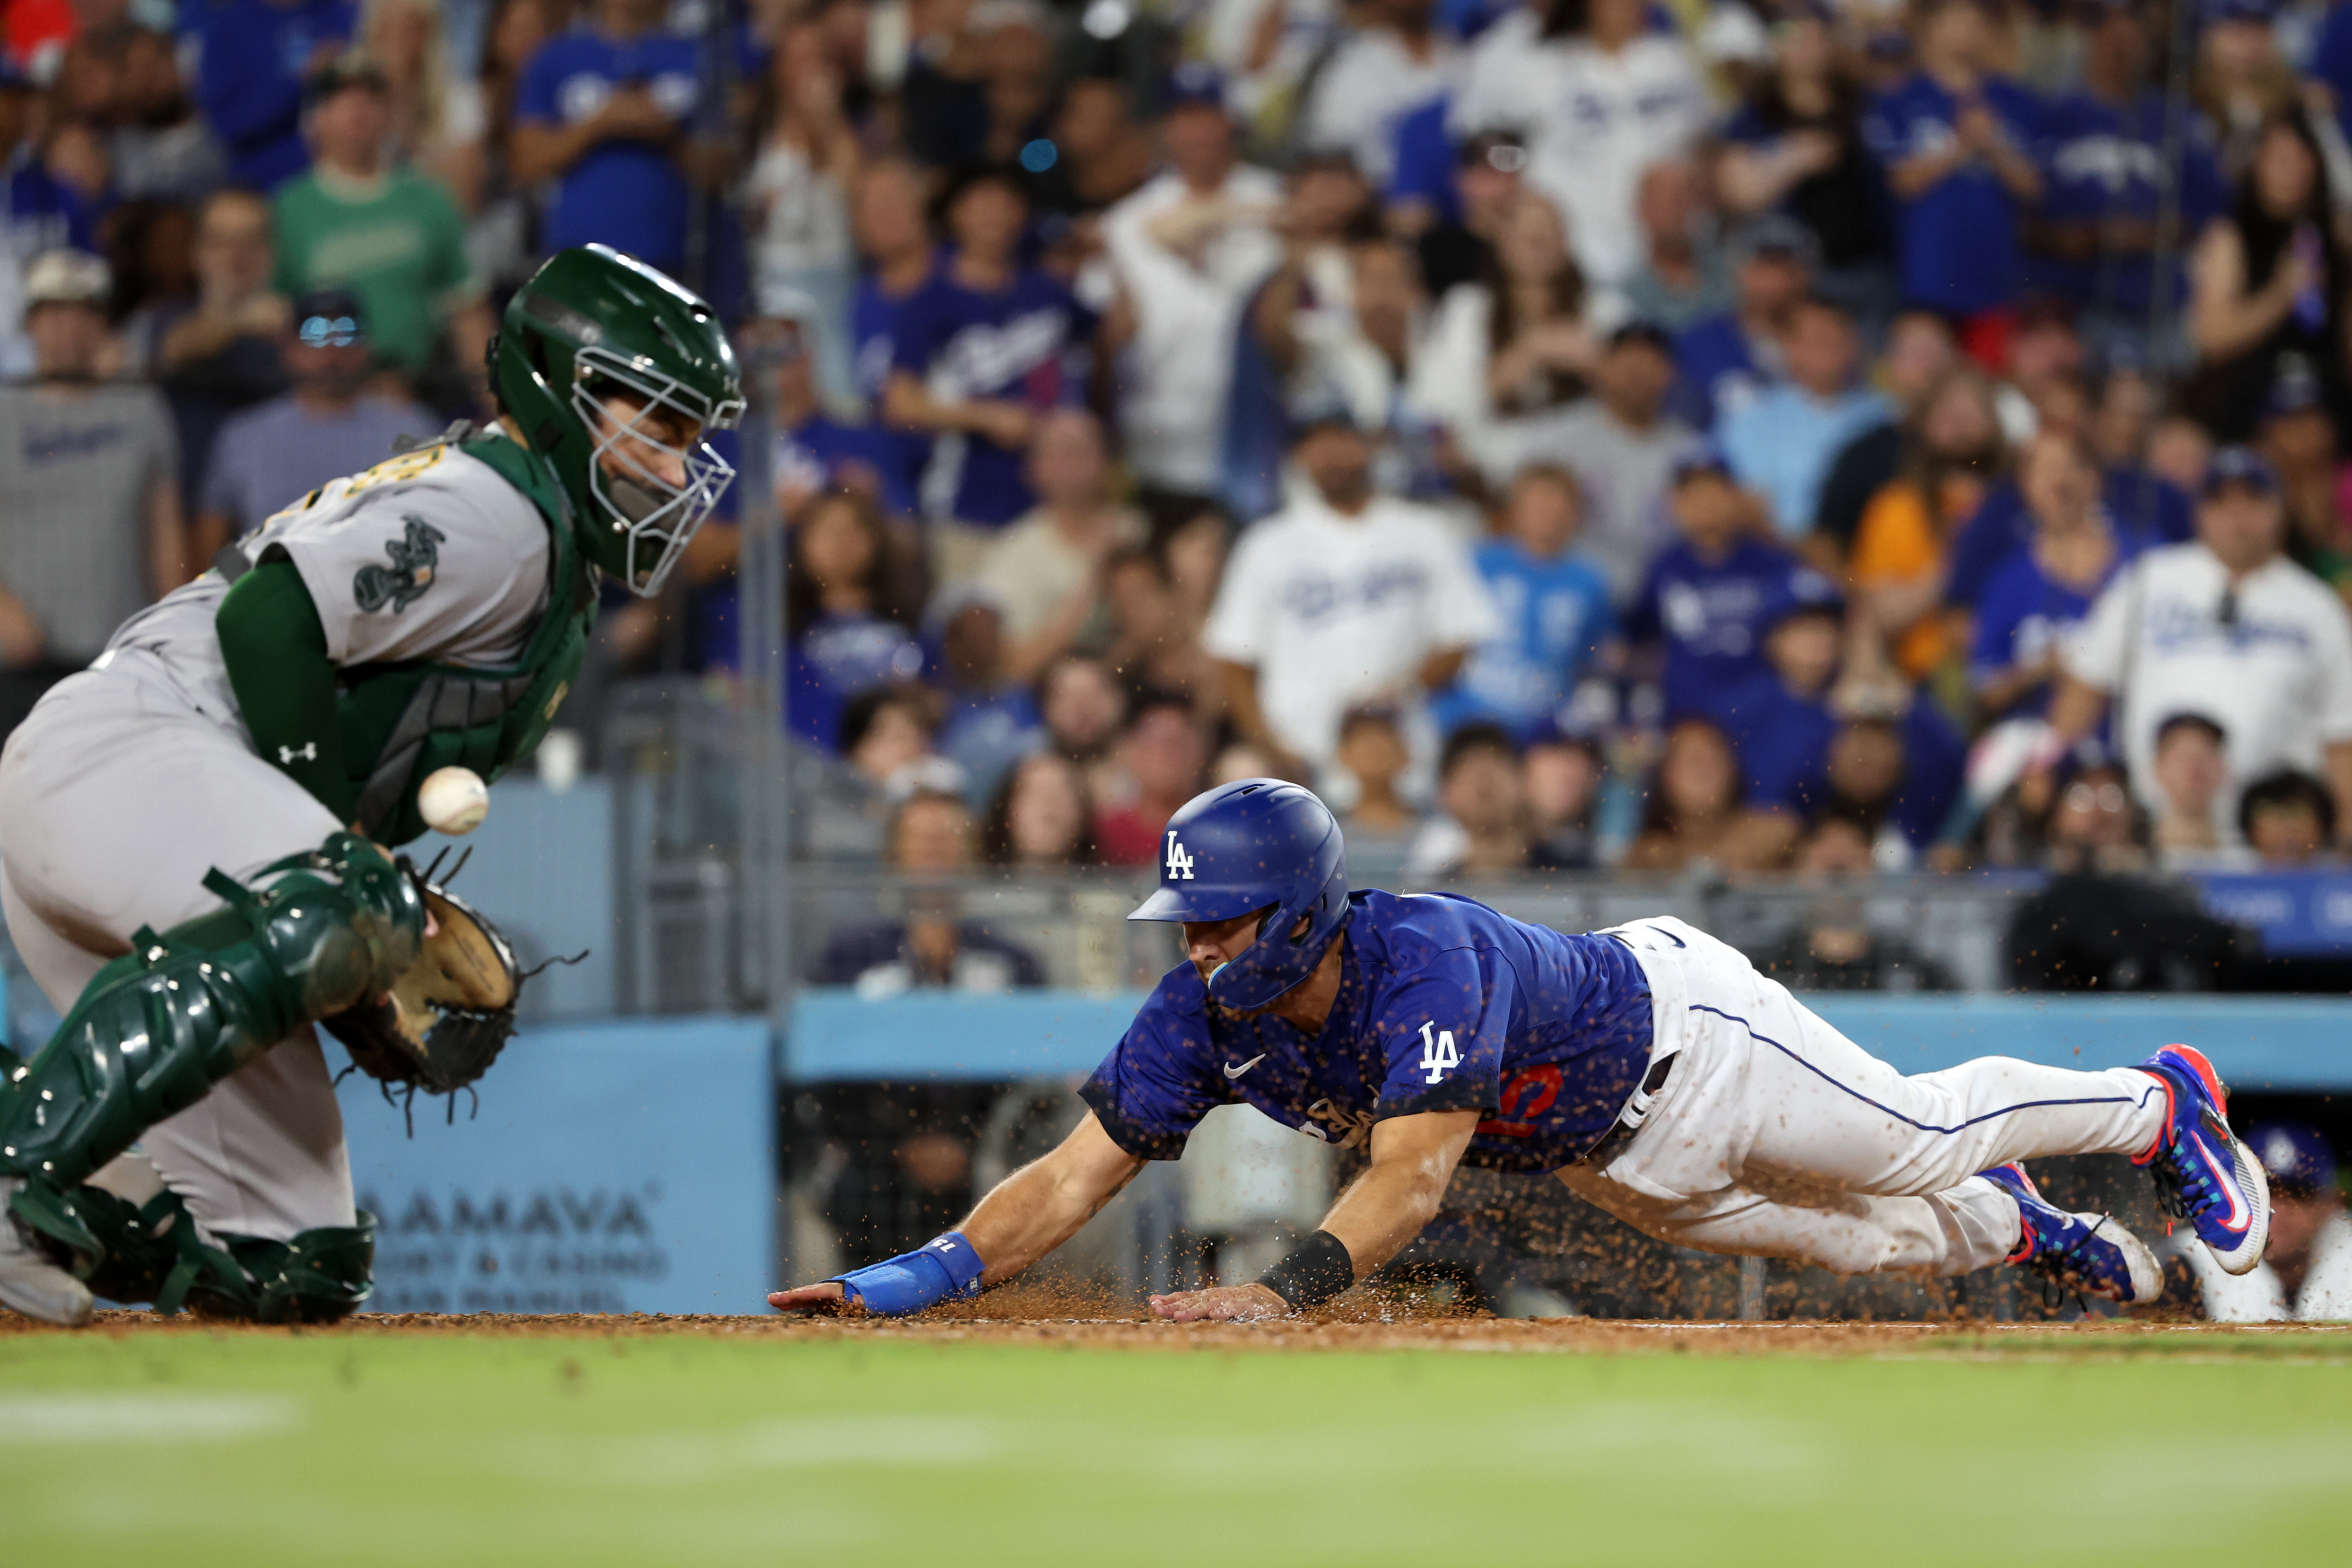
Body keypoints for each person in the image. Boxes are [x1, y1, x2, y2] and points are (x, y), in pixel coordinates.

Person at [769, 779, 2275, 1321]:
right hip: (1610, 1155)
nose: (1196, 947)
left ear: (1297, 914)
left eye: (1220, 921)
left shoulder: (1420, 953)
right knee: (1871, 1246)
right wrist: (913, 1275)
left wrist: (1282, 1298)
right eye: (1188, 921)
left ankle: (2160, 1105)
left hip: (1698, 1037)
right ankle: (2040, 1233)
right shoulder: (1195, 1013)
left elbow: (1413, 1184)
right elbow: (1071, 1172)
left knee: (1915, 1135)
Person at [0, 245, 742, 1326]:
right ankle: (18, 1173)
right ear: (561, 388)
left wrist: (357, 914)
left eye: (693, 438)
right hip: (125, 751)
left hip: (163, 815)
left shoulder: (543, 546)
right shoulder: (499, 515)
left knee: (300, 1267)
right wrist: (343, 868)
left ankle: (64, 1219)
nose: (679, 471)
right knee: (345, 901)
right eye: (660, 426)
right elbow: (270, 618)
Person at [2043, 447, 2352, 831]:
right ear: (2199, 512)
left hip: (2271, 838)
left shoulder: (2315, 606)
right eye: (2220, 501)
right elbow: (2086, 682)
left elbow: (2342, 733)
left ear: (2279, 509)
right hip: (2153, 828)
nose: (2236, 515)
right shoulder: (2151, 579)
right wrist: (2048, 771)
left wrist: (2346, 830)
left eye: (2252, 500)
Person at [1202, 414, 1499, 775]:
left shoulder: (1425, 531)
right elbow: (1234, 661)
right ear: (1299, 458)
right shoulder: (1267, 543)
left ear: (1367, 446)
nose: (1330, 456)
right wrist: (1272, 748)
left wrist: (1407, 683)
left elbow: (1462, 636)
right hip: (1300, 753)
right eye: (1315, 446)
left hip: (1401, 755)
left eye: (1340, 441)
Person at [0, 249, 186, 743]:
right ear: (31, 323)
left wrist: (176, 631)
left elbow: (164, 530)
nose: (70, 328)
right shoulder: (5, 411)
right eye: (55, 313)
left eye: (85, 313)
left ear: (104, 324)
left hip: (120, 653)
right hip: (21, 656)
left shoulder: (141, 408)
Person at [885, 165, 1097, 584]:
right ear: (955, 215)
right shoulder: (929, 301)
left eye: (1005, 204)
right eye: (980, 205)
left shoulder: (1046, 289)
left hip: (1057, 505)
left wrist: (1115, 251)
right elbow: (898, 403)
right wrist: (986, 417)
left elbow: (1106, 340)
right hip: (969, 503)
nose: (994, 216)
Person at [1100, 69, 1283, 518]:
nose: (1197, 131)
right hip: (1165, 437)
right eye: (1184, 117)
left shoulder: (1275, 199)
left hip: (1266, 434)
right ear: (1164, 129)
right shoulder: (1126, 222)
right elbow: (1109, 335)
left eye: (1208, 116)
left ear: (1230, 122)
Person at [1451, 0, 1706, 296]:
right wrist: (1507, 187)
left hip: (1675, 251)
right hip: (1583, 250)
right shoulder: (1542, 67)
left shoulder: (1672, 61)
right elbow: (1482, 145)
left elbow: (1703, 143)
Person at [271, 54, 490, 393]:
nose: (357, 108)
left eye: (370, 98)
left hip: (418, 385)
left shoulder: (428, 200)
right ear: (318, 119)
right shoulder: (289, 207)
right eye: (340, 99)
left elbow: (466, 310)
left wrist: (495, 405)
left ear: (388, 115)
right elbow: (277, 314)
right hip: (326, 391)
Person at [192, 289, 438, 561]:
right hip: (272, 593)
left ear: (367, 345)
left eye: (347, 332)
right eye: (315, 334)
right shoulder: (245, 435)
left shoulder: (411, 427)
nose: (332, 351)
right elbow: (211, 540)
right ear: (289, 347)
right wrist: (244, 596)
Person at [1626, 445, 1837, 727]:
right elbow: (1639, 632)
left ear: (1736, 497)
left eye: (1715, 491)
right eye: (1692, 493)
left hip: (1760, 715)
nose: (1705, 502)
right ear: (1675, 502)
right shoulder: (1665, 565)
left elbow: (1813, 611)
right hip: (1685, 718)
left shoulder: (1770, 562)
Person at [1861, 0, 2043, 328]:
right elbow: (1901, 183)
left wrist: (1993, 145)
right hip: (1924, 276)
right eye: (1957, 21)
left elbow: (2033, 188)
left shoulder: (2017, 100)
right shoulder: (1899, 99)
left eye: (1976, 23)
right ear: (1931, 28)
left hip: (1997, 277)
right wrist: (1960, 145)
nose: (1967, 32)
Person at [1714, 4, 1887, 321]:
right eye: (1796, 39)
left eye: (1816, 38)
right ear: (1775, 47)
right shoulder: (1756, 116)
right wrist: (1793, 160)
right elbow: (1737, 193)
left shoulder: (1861, 102)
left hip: (1871, 266)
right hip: (1798, 277)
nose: (1807, 48)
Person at [510, 0, 709, 275]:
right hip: (577, 259)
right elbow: (526, 162)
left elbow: (724, 171)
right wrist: (599, 125)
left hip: (671, 261)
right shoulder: (555, 57)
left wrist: (667, 135)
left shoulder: (699, 58)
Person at [2184, 115, 2349, 446]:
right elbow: (2210, 339)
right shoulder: (2231, 236)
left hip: (2326, 401)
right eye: (2278, 159)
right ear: (2257, 164)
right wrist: (2281, 294)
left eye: (2300, 159)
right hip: (2250, 401)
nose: (2290, 170)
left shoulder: (2336, 236)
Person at [1506, 322, 1695, 598]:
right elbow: (1516, 522)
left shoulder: (1691, 451)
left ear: (1671, 374)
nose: (1636, 376)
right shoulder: (1557, 439)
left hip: (1664, 598)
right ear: (1602, 369)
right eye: (1626, 365)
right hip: (1573, 594)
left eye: (1648, 365)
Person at [1844, 366, 2004, 680]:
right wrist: (1960, 559)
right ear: (1924, 424)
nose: (1960, 424)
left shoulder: (2012, 506)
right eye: (1949, 413)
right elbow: (1878, 615)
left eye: (1973, 412)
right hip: (1920, 676)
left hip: (1999, 672)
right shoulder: (1896, 507)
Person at [1434, 464, 1614, 741]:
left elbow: (1594, 654)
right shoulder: (1476, 563)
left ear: (1576, 514)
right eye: (1538, 505)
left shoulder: (1590, 581)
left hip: (1545, 731)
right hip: (1466, 720)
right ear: (1515, 510)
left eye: (1559, 506)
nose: (1549, 516)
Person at [1969, 430, 2130, 724]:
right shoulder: (2008, 579)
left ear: (2095, 478)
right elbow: (1985, 690)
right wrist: (2038, 669)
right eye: (2045, 470)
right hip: (2035, 739)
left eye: (2071, 467)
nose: (2059, 482)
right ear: (2025, 486)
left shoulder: (2144, 560)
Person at [974, 409, 1145, 684]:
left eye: (1080, 449)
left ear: (1107, 461)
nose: (1069, 462)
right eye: (1056, 451)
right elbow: (1014, 668)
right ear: (1033, 468)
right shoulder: (1011, 552)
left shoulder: (1139, 533)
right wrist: (1095, 582)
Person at [1719, 294, 1890, 543]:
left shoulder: (1885, 414)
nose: (1831, 348)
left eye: (1840, 337)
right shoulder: (1755, 419)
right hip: (1782, 559)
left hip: (1869, 557)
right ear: (1790, 348)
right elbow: (1749, 507)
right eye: (1819, 339)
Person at [1753, 814, 1958, 992]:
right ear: (1797, 870)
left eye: (1848, 869)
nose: (1839, 884)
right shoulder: (1766, 973)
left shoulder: (1913, 972)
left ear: (1873, 870)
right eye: (1830, 870)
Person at [786, 489, 924, 754]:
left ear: (876, 541)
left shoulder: (906, 625)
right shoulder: (786, 630)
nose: (841, 543)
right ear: (802, 542)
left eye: (854, 530)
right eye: (828, 530)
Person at [2189, 1124, 2351, 1322]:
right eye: (2264, 1193)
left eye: (2297, 1194)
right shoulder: (2188, 1266)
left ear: (2331, 1204)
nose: (2278, 1209)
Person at [1669, 217, 1816, 434]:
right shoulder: (1699, 342)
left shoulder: (1827, 341)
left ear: (1806, 275)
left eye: (1785, 267)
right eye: (1762, 266)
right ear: (1738, 271)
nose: (1774, 280)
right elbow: (1680, 425)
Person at [196, 0, 358, 189]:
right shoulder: (227, 29)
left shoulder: (345, 13)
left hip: (355, 180)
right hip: (271, 185)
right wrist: (301, 79)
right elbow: (228, 125)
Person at [1621, 715, 1797, 873]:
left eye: (1715, 758)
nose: (1705, 770)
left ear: (1733, 770)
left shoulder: (1771, 832)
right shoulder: (1645, 853)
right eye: (1693, 760)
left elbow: (1782, 830)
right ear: (1666, 777)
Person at [1094, 693, 1212, 867]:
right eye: (1160, 743)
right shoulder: (1104, 835)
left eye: (1179, 744)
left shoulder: (1217, 833)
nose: (1169, 756)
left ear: (1199, 755)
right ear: (1134, 753)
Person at [2148, 712, 2239, 869]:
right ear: (2158, 769)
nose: (2194, 770)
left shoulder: (2250, 863)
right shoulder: (2132, 862)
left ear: (2223, 768)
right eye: (2182, 758)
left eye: (2203, 757)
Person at [982, 752, 1099, 868]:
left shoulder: (1106, 881)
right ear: (1007, 808)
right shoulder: (978, 881)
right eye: (1035, 794)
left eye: (1062, 795)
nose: (1049, 805)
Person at [2238, 769, 2337, 867]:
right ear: (2250, 830)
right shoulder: (2232, 874)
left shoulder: (2340, 873)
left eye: (2298, 815)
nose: (2287, 830)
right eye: (2275, 817)